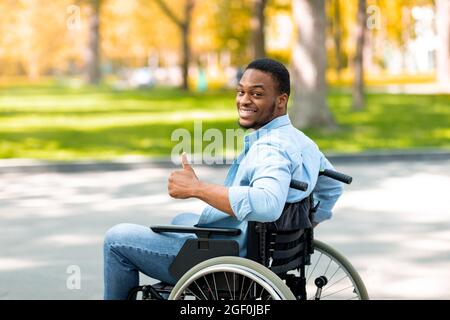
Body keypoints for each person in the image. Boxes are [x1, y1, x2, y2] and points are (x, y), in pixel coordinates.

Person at [103, 58, 343, 299]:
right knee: (182, 218)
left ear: (281, 101)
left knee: (116, 239)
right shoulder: (301, 141)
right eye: (241, 91)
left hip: (232, 258)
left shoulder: (272, 149)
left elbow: (267, 204)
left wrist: (197, 188)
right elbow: (332, 187)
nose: (244, 100)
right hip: (255, 246)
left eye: (257, 94)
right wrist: (304, 228)